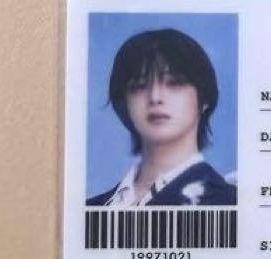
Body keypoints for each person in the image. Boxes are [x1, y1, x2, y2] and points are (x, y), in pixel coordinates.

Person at [87, 28, 236, 206]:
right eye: (139, 85)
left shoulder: (229, 201)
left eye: (174, 83)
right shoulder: (91, 208)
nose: (155, 97)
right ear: (124, 101)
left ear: (204, 98)